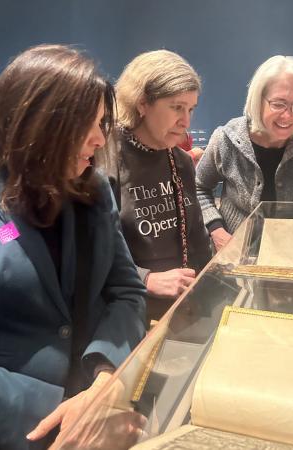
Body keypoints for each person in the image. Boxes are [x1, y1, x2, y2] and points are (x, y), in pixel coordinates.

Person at [0, 44, 146, 450]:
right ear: (32, 124)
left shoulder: (96, 191)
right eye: (83, 126)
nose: (97, 139)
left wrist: (106, 380)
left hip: (96, 401)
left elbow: (125, 290)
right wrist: (57, 414)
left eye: (102, 123)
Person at [105, 50, 212, 323]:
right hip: (127, 313)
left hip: (183, 311)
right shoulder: (106, 158)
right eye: (176, 107)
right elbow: (93, 250)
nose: (186, 122)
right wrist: (146, 278)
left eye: (190, 109)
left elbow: (198, 239)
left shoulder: (181, 162)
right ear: (142, 103)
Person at [195, 55, 293, 252]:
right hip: (232, 254)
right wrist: (216, 230)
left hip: (292, 255)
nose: (288, 116)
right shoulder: (226, 139)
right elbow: (198, 187)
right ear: (258, 99)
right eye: (278, 104)